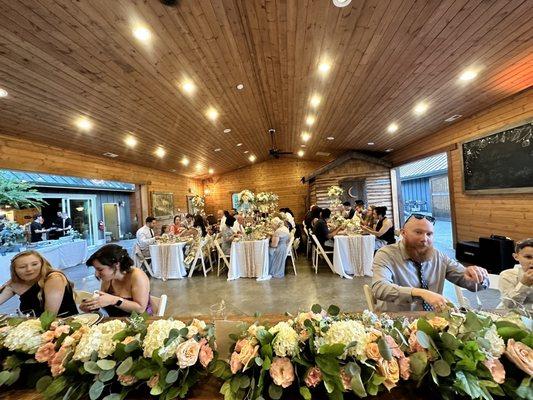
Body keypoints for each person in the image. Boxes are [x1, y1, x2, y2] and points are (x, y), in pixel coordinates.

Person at [371, 214, 489, 312]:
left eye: (429, 234)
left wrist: (478, 276)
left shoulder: (439, 257)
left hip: (435, 323)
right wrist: (419, 293)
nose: (424, 239)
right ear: (403, 233)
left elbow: (474, 285)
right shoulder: (386, 254)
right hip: (398, 323)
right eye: (418, 232)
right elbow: (379, 288)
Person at [80, 244, 152, 317]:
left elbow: (140, 309)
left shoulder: (137, 276)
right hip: (116, 324)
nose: (96, 274)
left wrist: (114, 300)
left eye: (100, 269)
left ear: (116, 264)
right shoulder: (108, 279)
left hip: (140, 324)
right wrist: (92, 307)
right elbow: (105, 303)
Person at [0, 251, 78, 317]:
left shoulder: (54, 278)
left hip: (64, 326)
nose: (29, 269)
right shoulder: (16, 283)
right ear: (14, 270)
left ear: (42, 264)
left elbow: (49, 316)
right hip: (34, 326)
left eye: (34, 264)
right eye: (22, 267)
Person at [499, 238, 533, 311]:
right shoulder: (507, 275)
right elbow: (509, 305)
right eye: (528, 257)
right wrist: (524, 284)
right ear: (516, 257)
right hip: (510, 315)